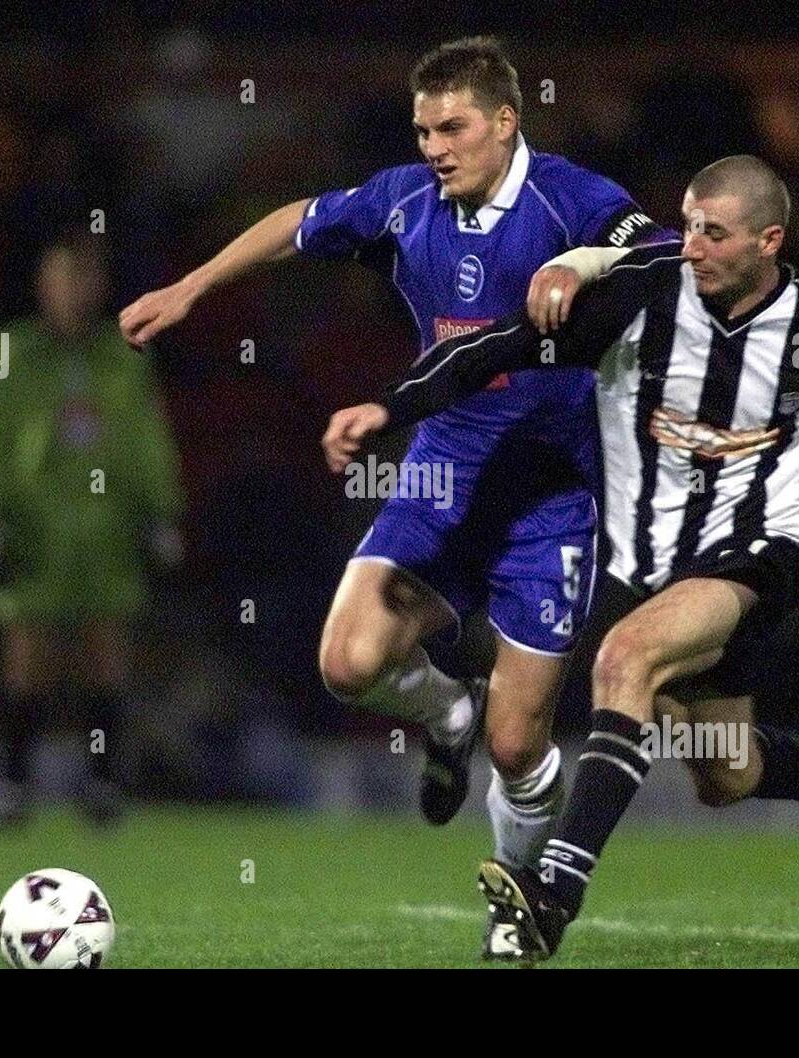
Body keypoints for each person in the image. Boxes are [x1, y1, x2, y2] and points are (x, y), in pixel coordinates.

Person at [322, 154, 799, 961]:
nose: (691, 245)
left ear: (769, 240)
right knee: (723, 773)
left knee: (624, 659)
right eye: (688, 225)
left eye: (713, 232)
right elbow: (496, 349)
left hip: (758, 554)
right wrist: (388, 407)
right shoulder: (643, 296)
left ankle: (551, 899)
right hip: (653, 566)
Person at [118, 35, 671, 958]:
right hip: (445, 465)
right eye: (423, 130)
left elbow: (658, 248)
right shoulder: (406, 202)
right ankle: (441, 712)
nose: (435, 147)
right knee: (346, 661)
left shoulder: (570, 198)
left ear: (506, 122)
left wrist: (584, 265)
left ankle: (516, 905)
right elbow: (299, 220)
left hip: (554, 490)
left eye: (452, 127)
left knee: (519, 742)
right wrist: (193, 285)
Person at [0, 232, 185, 827]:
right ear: (42, 285)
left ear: (98, 288)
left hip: (104, 530)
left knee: (104, 658)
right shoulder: (11, 352)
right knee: (27, 659)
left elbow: (147, 437)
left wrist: (161, 512)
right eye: (60, 280)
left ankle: (103, 782)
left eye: (82, 281)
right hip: (35, 530)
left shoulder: (124, 354)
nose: (71, 294)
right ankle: (12, 782)